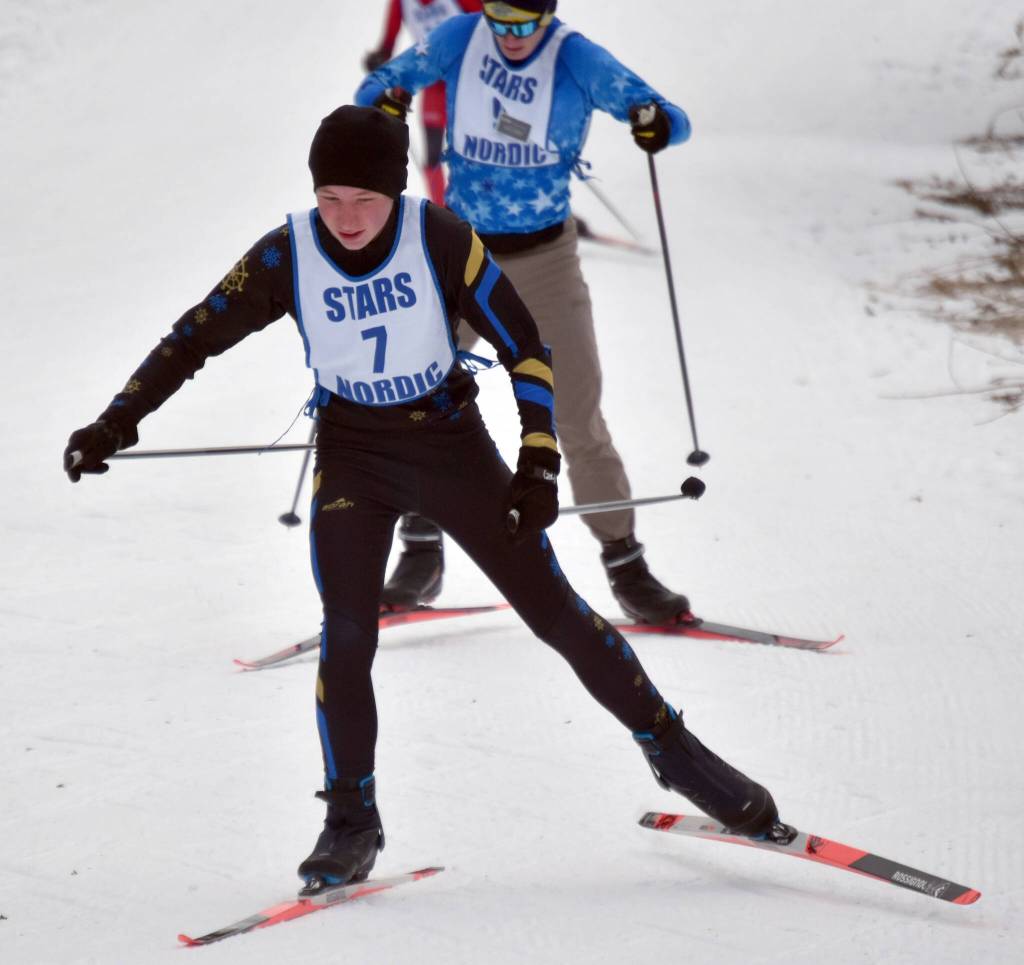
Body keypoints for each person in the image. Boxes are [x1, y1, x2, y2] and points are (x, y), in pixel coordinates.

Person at [63, 105, 780, 893]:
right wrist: (115, 420)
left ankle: (676, 753)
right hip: (353, 456)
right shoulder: (288, 251)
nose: (347, 219)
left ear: (395, 194)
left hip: (448, 446)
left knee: (555, 612)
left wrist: (539, 457)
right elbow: (193, 335)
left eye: (364, 200)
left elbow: (525, 345)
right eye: (330, 198)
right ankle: (350, 819)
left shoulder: (437, 236)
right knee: (346, 630)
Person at [356, 0, 694, 625]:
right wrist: (388, 101)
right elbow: (377, 83)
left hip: (545, 258)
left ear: (549, 14)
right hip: (460, 252)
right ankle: (421, 550)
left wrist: (654, 122)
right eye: (499, 20)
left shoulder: (576, 56)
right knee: (415, 394)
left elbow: (671, 118)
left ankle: (626, 566)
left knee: (576, 414)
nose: (510, 37)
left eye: (525, 24)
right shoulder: (462, 36)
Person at [363, 0, 484, 205]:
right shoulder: (402, 3)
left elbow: (488, 23)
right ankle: (441, 212)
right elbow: (387, 44)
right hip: (433, 83)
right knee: (433, 154)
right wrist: (378, 58)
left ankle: (483, 206)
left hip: (468, 80)